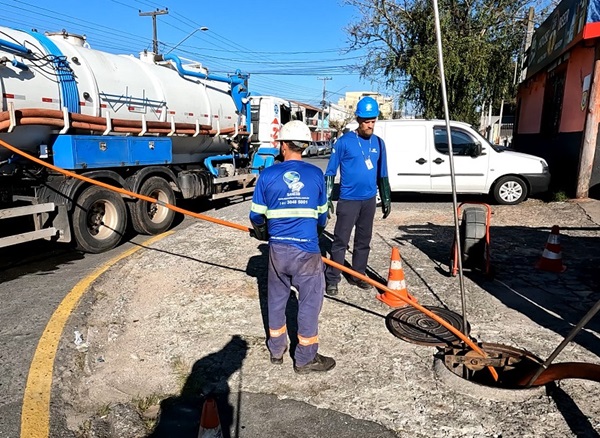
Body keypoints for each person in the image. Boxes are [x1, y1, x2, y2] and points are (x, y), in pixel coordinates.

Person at [249, 120, 335, 374]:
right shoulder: (316, 175)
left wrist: (263, 230)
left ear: (284, 145)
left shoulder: (267, 175)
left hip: (278, 250)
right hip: (307, 251)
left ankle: (277, 350)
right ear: (305, 146)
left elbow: (256, 217)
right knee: (309, 302)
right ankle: (305, 358)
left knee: (276, 299)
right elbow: (322, 217)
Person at [324, 96, 391, 296]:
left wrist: (386, 198)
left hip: (369, 200)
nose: (370, 125)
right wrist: (327, 199)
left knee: (364, 240)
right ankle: (333, 278)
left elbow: (383, 173)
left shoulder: (379, 143)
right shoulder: (343, 142)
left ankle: (358, 274)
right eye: (366, 121)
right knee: (340, 241)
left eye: (373, 121)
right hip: (349, 199)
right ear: (358, 119)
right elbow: (330, 171)